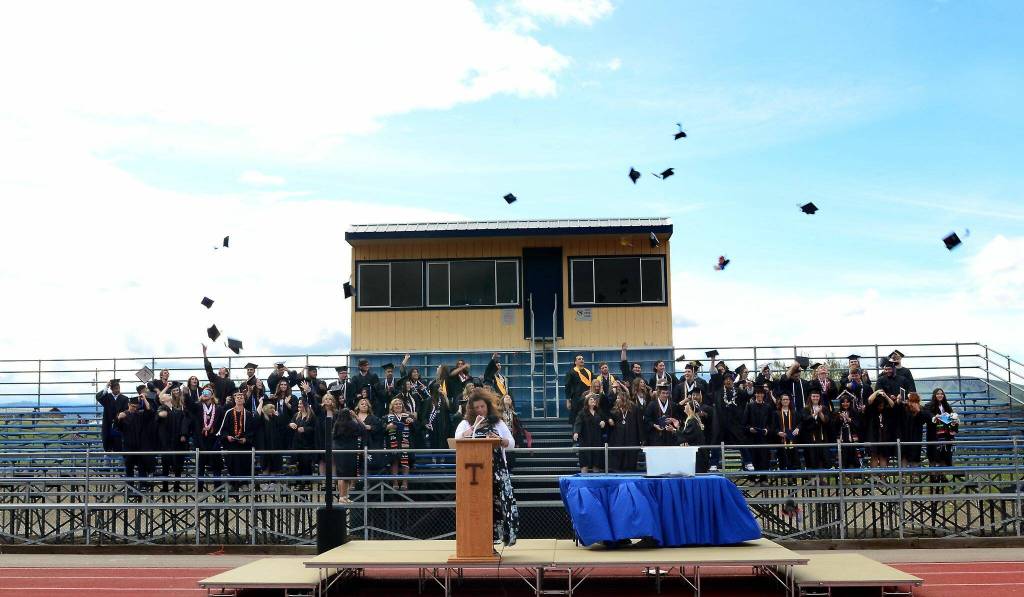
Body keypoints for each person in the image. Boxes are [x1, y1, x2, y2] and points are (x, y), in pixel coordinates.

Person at [455, 388, 518, 547]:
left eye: (482, 406)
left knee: (496, 505)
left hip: (496, 471)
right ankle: (476, 541)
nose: (480, 410)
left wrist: (500, 439)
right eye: (476, 408)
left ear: (488, 406)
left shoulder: (498, 422)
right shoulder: (465, 423)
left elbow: (511, 444)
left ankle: (495, 539)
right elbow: (457, 440)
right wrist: (473, 427)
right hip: (474, 474)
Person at [115, 393, 154, 497]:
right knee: (129, 468)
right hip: (128, 446)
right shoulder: (123, 415)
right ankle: (129, 487)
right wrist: (119, 418)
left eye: (136, 407)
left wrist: (144, 398)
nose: (134, 408)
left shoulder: (140, 415)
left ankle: (143, 486)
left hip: (140, 446)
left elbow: (150, 411)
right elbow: (117, 428)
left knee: (142, 467)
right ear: (129, 405)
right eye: (132, 406)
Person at [156, 384, 190, 491]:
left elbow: (184, 423)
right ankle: (165, 487)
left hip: (177, 442)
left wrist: (183, 434)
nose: (167, 394)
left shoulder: (178, 411)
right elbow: (160, 415)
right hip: (166, 443)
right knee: (165, 465)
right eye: (165, 395)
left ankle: (176, 486)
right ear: (163, 400)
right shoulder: (162, 408)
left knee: (178, 465)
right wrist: (162, 414)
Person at [218, 391, 254, 491]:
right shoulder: (229, 413)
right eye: (237, 397)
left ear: (244, 400)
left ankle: (244, 483)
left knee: (244, 463)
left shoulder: (248, 414)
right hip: (231, 444)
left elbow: (251, 429)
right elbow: (223, 429)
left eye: (241, 397)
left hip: (243, 444)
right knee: (231, 463)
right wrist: (227, 436)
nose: (239, 398)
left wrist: (246, 439)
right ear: (234, 399)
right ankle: (233, 483)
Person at [715, 372, 752, 471]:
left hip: (735, 423)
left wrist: (749, 388)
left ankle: (748, 462)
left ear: (733, 381)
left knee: (742, 441)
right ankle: (713, 463)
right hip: (722, 423)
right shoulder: (719, 392)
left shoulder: (738, 391)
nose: (728, 381)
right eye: (726, 379)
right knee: (716, 441)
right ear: (723, 381)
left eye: (730, 379)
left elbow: (747, 395)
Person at [191, 387, 224, 488]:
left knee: (216, 465)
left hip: (214, 440)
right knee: (200, 465)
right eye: (203, 392)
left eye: (207, 392)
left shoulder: (218, 408)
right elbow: (189, 407)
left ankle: (217, 487)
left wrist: (215, 430)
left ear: (212, 395)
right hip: (200, 440)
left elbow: (222, 424)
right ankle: (199, 488)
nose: (205, 394)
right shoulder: (198, 407)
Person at [384, 397, 417, 490]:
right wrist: (388, 427)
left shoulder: (408, 416)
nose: (398, 405)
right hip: (392, 442)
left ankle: (405, 482)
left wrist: (412, 422)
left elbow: (416, 430)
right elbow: (382, 430)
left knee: (405, 461)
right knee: (394, 461)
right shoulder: (387, 417)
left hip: (406, 442)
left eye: (400, 404)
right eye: (396, 404)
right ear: (392, 406)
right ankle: (395, 482)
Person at [606, 387, 642, 472]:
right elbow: (608, 415)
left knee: (631, 456)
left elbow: (639, 424)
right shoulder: (615, 409)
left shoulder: (634, 408)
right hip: (618, 437)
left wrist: (641, 438)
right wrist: (609, 419)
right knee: (618, 455)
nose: (617, 400)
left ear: (624, 399)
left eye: (618, 398)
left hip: (631, 436)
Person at [743, 385, 775, 480]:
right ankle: (752, 478)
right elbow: (744, 423)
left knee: (764, 458)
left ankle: (763, 478)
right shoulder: (749, 406)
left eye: (761, 393)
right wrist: (749, 429)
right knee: (752, 458)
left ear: (764, 395)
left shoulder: (768, 407)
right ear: (755, 394)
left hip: (764, 437)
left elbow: (771, 423)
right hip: (752, 438)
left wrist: (767, 430)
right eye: (757, 393)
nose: (759, 395)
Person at [253, 399, 288, 477]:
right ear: (265, 409)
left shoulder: (276, 418)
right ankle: (265, 485)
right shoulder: (262, 418)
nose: (273, 410)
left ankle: (274, 484)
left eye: (273, 408)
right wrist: (261, 403)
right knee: (266, 467)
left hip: (275, 446)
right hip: (265, 446)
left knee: (275, 467)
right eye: (271, 408)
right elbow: (256, 416)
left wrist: (278, 417)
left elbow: (283, 429)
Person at [573, 395, 608, 473]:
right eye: (591, 399)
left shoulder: (599, 412)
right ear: (587, 402)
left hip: (597, 439)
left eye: (594, 400)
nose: (593, 401)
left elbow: (604, 421)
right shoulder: (582, 413)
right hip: (586, 439)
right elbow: (578, 423)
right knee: (584, 462)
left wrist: (603, 423)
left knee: (596, 462)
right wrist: (576, 432)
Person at [419, 387, 455, 460]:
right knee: (434, 443)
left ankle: (443, 460)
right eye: (440, 389)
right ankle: (434, 459)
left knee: (444, 443)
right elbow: (424, 414)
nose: (442, 391)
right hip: (433, 426)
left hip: (444, 426)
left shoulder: (444, 400)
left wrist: (446, 397)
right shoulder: (429, 400)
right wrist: (426, 423)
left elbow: (451, 409)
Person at [926, 388, 958, 468]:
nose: (940, 395)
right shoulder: (929, 406)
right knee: (933, 457)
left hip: (946, 435)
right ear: (934, 395)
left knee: (944, 457)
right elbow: (927, 415)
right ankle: (934, 477)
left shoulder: (947, 406)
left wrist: (954, 419)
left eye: (941, 394)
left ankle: (942, 475)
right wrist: (934, 417)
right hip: (934, 435)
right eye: (938, 394)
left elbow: (952, 417)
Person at [799, 391, 831, 469]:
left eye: (817, 396)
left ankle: (821, 479)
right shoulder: (806, 408)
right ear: (810, 397)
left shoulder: (824, 408)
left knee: (823, 458)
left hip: (821, 436)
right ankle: (812, 480)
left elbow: (826, 421)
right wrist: (815, 413)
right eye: (813, 396)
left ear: (820, 397)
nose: (815, 398)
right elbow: (805, 420)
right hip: (810, 437)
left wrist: (820, 413)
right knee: (811, 458)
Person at [863, 390, 896, 468]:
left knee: (883, 457)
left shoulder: (886, 411)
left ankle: (882, 479)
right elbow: (869, 400)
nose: (881, 407)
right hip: (873, 437)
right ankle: (874, 478)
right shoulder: (871, 411)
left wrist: (885, 395)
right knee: (874, 457)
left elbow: (892, 404)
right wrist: (877, 392)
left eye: (882, 405)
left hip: (884, 437)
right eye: (879, 405)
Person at [895, 392, 928, 467]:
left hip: (915, 437)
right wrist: (898, 401)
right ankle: (903, 476)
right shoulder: (903, 408)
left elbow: (923, 421)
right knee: (903, 456)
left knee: (915, 457)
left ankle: (914, 477)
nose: (910, 403)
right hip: (904, 436)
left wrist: (918, 411)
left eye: (912, 401)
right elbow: (896, 413)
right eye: (909, 400)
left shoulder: (921, 409)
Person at [96, 378, 129, 452]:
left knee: (120, 447)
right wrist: (106, 386)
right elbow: (98, 396)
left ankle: (119, 463)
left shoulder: (124, 399)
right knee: (108, 447)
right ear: (111, 389)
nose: (117, 390)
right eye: (115, 388)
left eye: (118, 388)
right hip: (108, 425)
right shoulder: (107, 398)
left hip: (120, 425)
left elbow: (126, 410)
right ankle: (107, 462)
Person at [289, 398, 318, 478]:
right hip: (296, 444)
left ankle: (307, 483)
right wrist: (291, 424)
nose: (299, 405)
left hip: (307, 445)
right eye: (299, 403)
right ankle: (298, 484)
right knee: (298, 465)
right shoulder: (296, 415)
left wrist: (305, 429)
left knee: (306, 465)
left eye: (301, 403)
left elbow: (315, 428)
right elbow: (291, 422)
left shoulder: (312, 416)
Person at [353, 397, 383, 474]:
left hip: (368, 444)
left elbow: (374, 428)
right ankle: (352, 485)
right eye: (362, 404)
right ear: (358, 406)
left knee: (365, 467)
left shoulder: (373, 418)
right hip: (353, 444)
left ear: (369, 407)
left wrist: (371, 427)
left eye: (366, 404)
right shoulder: (352, 418)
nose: (364, 405)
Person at [832, 392, 861, 470]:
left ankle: (852, 479)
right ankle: (843, 479)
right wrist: (839, 419)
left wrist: (849, 419)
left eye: (847, 402)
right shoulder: (836, 413)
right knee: (842, 459)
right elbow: (834, 427)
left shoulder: (854, 412)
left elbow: (858, 425)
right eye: (843, 402)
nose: (845, 404)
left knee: (853, 458)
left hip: (852, 438)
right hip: (841, 438)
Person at [677, 401, 708, 473]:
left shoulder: (692, 421)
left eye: (686, 405)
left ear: (690, 408)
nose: (684, 406)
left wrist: (674, 430)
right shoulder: (694, 421)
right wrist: (678, 427)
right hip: (698, 454)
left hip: (697, 456)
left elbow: (686, 436)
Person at [773, 394, 800, 471]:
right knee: (783, 460)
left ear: (789, 401)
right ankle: (784, 479)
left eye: (787, 399)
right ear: (780, 401)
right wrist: (778, 432)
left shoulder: (794, 412)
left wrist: (798, 428)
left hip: (792, 441)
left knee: (793, 460)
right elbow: (774, 427)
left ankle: (793, 481)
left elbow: (800, 423)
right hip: (781, 441)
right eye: (783, 399)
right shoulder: (776, 413)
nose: (785, 401)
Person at [564, 355, 593, 421]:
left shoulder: (589, 372)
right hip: (576, 399)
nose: (581, 360)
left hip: (587, 398)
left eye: (582, 359)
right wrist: (568, 401)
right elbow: (567, 387)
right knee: (576, 419)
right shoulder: (571, 372)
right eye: (579, 359)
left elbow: (594, 383)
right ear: (575, 362)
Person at [501, 394, 525, 468]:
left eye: (510, 398)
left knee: (510, 457)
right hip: (502, 437)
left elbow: (518, 429)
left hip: (511, 437)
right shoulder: (499, 413)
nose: (508, 398)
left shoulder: (514, 414)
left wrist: (518, 442)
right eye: (506, 397)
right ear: (502, 400)